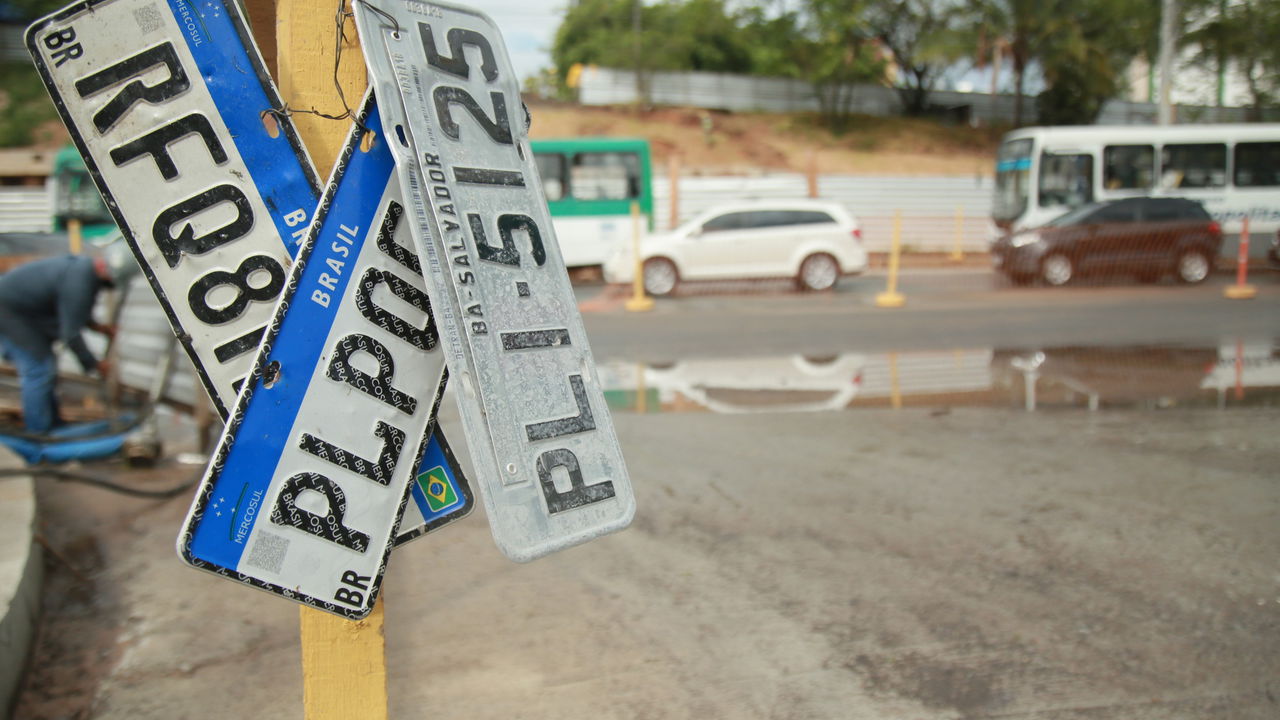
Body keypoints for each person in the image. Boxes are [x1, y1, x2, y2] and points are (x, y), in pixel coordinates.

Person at [0, 248, 135, 433]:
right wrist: (94, 364)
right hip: (10, 313)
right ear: (109, 273)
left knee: (45, 368)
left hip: (22, 313)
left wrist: (97, 327)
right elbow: (70, 334)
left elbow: (74, 310)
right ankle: (39, 433)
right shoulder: (80, 281)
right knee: (38, 371)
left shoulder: (83, 271)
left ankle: (50, 424)